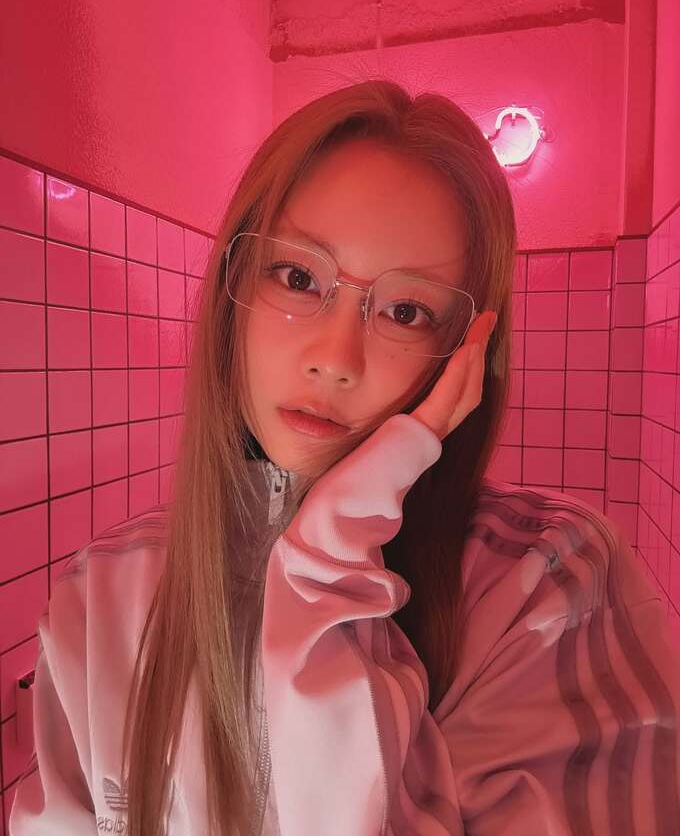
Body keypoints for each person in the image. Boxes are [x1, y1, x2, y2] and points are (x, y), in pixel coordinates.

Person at [9, 79, 680, 836]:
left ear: (463, 351)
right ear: (233, 287)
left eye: (405, 311)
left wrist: (331, 555)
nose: (334, 359)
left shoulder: (546, 582)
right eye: (298, 278)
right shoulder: (103, 592)